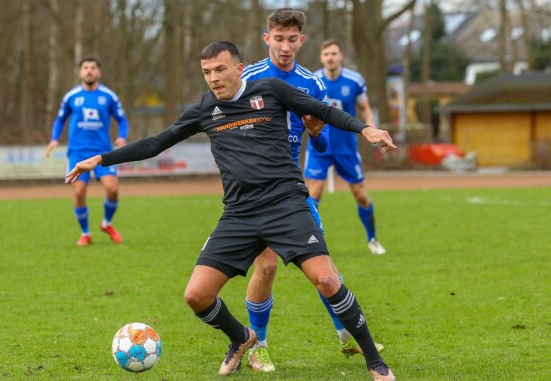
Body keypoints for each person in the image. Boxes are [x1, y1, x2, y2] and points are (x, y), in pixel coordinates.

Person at [66, 41, 397, 381]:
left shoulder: (270, 89)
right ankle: (241, 338)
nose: (213, 78)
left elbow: (323, 110)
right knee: (196, 295)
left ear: (239, 69)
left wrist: (365, 128)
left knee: (327, 279)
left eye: (220, 69)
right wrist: (102, 158)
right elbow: (156, 142)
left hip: (286, 205)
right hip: (239, 214)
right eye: (207, 72)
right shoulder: (204, 109)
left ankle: (374, 361)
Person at [240, 8, 382, 373]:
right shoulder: (247, 78)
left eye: (292, 39)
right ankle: (258, 346)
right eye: (278, 38)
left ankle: (346, 336)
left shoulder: (312, 84)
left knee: (324, 270)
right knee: (267, 266)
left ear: (301, 41)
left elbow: (320, 146)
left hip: (292, 188)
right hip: (256, 191)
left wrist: (316, 133)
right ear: (266, 38)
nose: (285, 46)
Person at [304, 40, 387, 256]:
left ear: (341, 56)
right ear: (321, 57)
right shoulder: (313, 80)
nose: (330, 57)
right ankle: (312, 246)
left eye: (334, 53)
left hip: (346, 149)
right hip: (319, 146)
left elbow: (365, 108)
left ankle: (372, 239)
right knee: (314, 192)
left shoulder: (354, 80)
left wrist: (371, 129)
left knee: (360, 195)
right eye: (326, 54)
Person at [45, 56, 129, 246]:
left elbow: (122, 120)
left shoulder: (108, 96)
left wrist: (122, 136)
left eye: (92, 68)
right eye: (85, 68)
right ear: (80, 72)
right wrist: (54, 139)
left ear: (99, 72)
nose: (89, 71)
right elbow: (59, 120)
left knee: (112, 189)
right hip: (78, 152)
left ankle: (107, 224)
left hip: (102, 152)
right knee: (79, 192)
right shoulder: (71, 97)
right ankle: (85, 233)